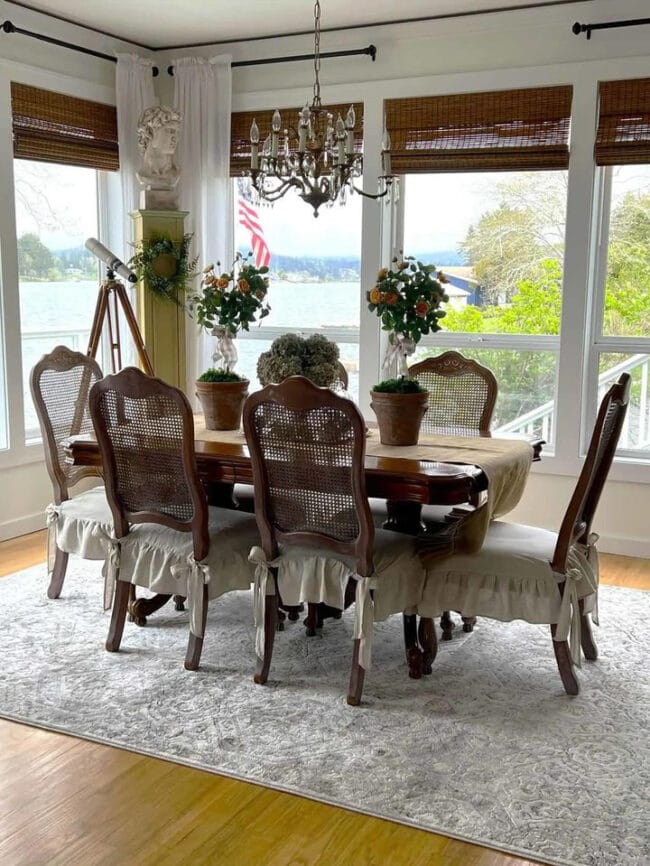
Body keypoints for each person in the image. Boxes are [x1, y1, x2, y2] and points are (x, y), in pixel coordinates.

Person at [136, 105, 182, 190]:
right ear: (151, 134)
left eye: (176, 133)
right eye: (169, 131)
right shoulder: (143, 175)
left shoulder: (174, 174)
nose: (175, 138)